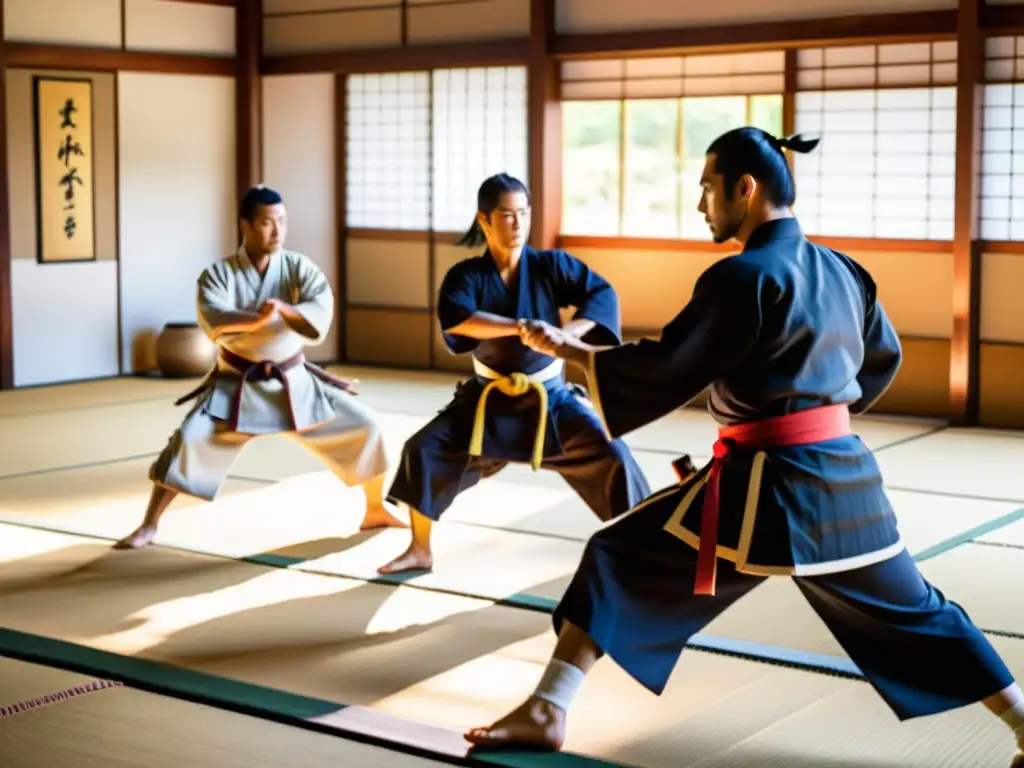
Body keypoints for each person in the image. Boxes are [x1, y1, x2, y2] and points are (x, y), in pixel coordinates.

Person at [464, 130, 1024, 765]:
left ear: (745, 189)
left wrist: (568, 351)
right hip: (845, 484)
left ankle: (546, 708)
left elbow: (668, 365)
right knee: (920, 611)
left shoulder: (742, 276)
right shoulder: (844, 269)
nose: (702, 204)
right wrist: (815, 412)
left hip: (765, 491)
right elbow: (878, 360)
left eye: (707, 188)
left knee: (617, 554)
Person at [377, 173, 651, 574]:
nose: (518, 223)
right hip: (488, 402)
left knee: (615, 456)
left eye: (523, 213)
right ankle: (420, 548)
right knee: (423, 448)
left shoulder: (550, 266)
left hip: (551, 401)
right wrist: (518, 326)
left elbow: (602, 293)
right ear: (484, 220)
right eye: (506, 215)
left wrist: (566, 334)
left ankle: (639, 551)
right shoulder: (466, 277)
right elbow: (458, 320)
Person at [113, 185, 403, 550]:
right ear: (245, 226)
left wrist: (285, 311)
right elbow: (214, 317)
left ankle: (374, 509)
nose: (277, 231)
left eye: (282, 221)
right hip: (236, 386)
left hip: (294, 383)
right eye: (267, 223)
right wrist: (258, 320)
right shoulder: (218, 275)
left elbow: (319, 309)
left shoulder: (298, 268)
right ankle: (149, 525)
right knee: (189, 439)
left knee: (366, 425)